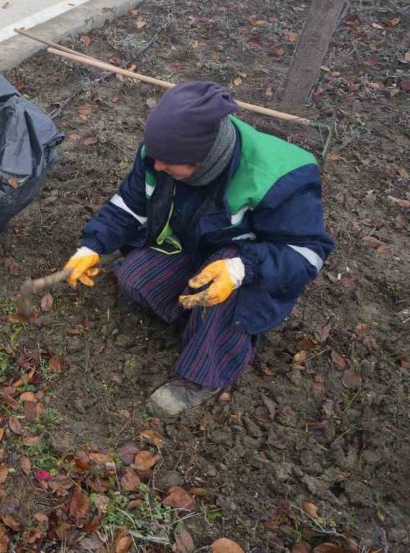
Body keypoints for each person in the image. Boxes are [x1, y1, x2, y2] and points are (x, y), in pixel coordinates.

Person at [64, 81, 334, 417]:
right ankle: (200, 320)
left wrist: (241, 269)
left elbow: (308, 254)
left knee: (220, 282)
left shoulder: (279, 178)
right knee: (133, 280)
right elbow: (129, 205)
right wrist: (92, 245)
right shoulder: (160, 155)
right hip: (194, 248)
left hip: (246, 273)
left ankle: (204, 375)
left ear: (207, 159)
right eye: (155, 157)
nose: (157, 167)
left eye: (169, 163)